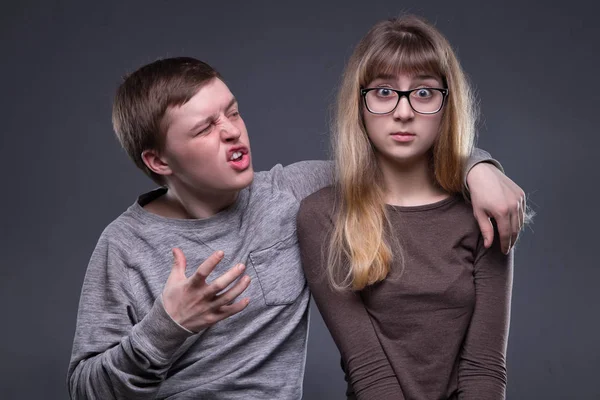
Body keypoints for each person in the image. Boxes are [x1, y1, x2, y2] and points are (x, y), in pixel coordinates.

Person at [67, 55, 525, 399]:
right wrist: (167, 327)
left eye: (232, 111)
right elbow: (85, 389)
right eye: (205, 127)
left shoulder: (290, 194)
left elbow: (403, 159)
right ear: (159, 160)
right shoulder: (125, 246)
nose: (232, 131)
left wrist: (479, 167)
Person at [297, 15, 529, 400]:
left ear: (446, 104)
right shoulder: (323, 216)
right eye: (385, 92)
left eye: (423, 93)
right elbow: (368, 370)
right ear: (360, 103)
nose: (403, 112)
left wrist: (478, 166)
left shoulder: (484, 210)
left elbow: (485, 367)